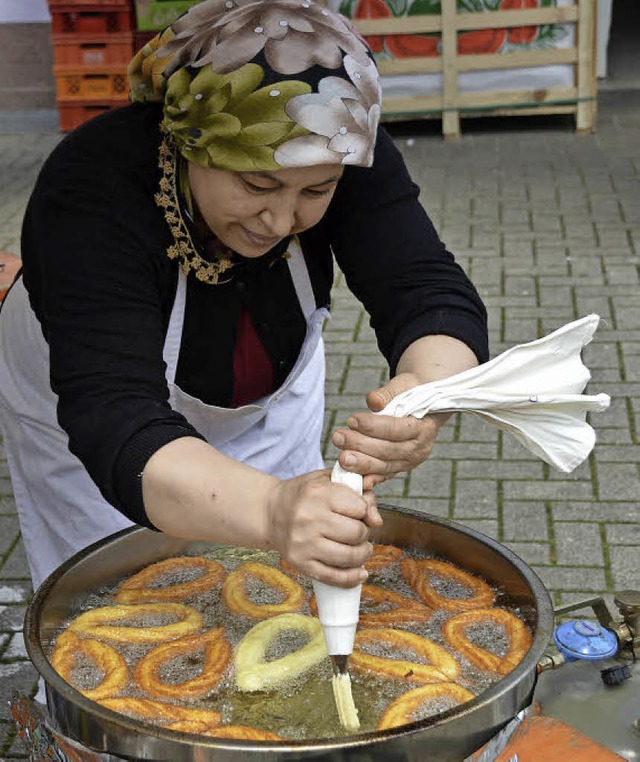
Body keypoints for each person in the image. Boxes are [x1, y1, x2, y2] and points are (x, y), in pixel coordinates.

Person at [0, 0, 488, 595]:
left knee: (274, 585)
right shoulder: (90, 193)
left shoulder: (338, 134)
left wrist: (427, 393)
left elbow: (426, 288)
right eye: (258, 184)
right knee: (117, 596)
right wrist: (272, 509)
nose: (282, 220)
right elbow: (117, 418)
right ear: (190, 146)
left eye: (316, 191)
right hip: (97, 405)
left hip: (265, 389)